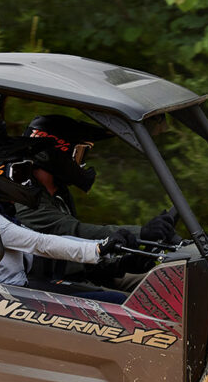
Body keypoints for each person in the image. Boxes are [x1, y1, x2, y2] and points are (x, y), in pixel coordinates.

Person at [0, 135, 133, 303]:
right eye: (20, 173)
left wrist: (103, 246)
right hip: (11, 297)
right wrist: (97, 249)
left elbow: (52, 241)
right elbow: (40, 243)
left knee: (106, 296)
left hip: (19, 289)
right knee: (116, 300)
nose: (26, 181)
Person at [17, 114, 179, 286]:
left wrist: (124, 264)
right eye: (79, 153)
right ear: (56, 152)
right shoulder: (24, 197)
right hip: (49, 286)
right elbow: (74, 233)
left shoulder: (59, 194)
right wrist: (142, 233)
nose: (81, 163)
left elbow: (77, 252)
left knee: (164, 285)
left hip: (77, 276)